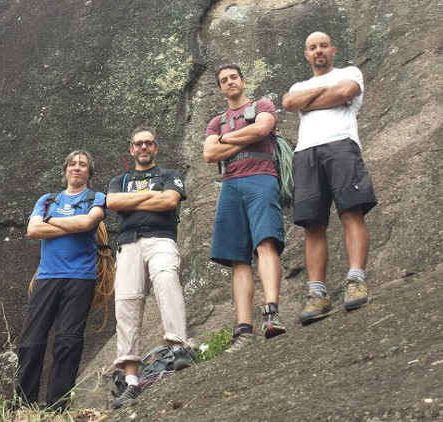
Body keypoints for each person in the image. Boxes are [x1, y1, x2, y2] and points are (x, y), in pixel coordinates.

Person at [282, 31, 377, 325]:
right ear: (306, 54)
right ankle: (317, 293)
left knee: (351, 211)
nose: (319, 50)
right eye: (313, 47)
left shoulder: (350, 72)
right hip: (306, 152)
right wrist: (325, 95)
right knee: (312, 223)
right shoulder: (298, 84)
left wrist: (308, 102)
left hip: (341, 145)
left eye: (323, 45)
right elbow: (288, 101)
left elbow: (345, 91)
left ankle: (356, 279)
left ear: (332, 49)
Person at [106, 127, 193, 409]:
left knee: (167, 280)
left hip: (161, 238)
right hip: (128, 243)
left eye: (148, 143)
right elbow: (113, 202)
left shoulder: (169, 175)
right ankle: (131, 379)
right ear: (131, 150)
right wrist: (152, 197)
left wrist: (135, 202)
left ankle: (179, 348)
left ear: (155, 148)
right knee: (126, 303)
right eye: (138, 144)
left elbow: (170, 200)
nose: (143, 147)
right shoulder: (120, 179)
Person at [203, 63, 286, 353]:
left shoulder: (262, 104)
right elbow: (209, 153)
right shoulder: (217, 121)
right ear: (220, 88)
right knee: (237, 258)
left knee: (265, 242)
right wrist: (243, 136)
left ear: (243, 80)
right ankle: (243, 330)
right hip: (231, 183)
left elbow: (263, 128)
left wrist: (225, 140)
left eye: (233, 77)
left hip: (261, 178)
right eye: (224, 80)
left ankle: (272, 314)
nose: (229, 83)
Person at [15, 150, 106, 411]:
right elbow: (33, 229)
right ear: (65, 169)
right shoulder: (47, 199)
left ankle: (57, 406)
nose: (77, 168)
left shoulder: (96, 197)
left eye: (83, 165)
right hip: (47, 276)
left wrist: (52, 222)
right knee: (31, 340)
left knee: (68, 340)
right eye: (73, 164)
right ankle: (23, 404)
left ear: (89, 172)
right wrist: (71, 223)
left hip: (80, 277)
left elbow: (89, 223)